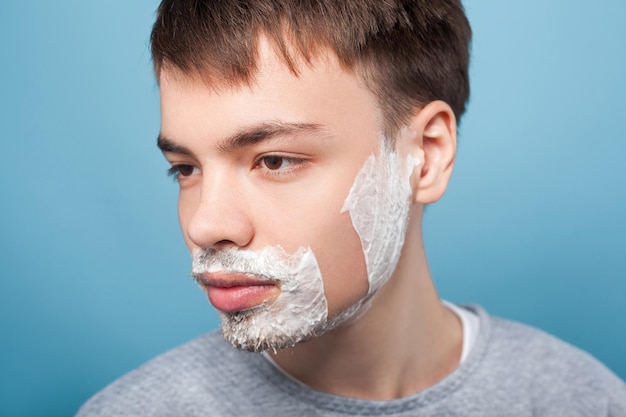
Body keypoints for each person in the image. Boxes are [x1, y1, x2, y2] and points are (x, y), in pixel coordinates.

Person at [76, 0, 626, 415]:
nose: (206, 224)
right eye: (186, 168)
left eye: (274, 161)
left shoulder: (581, 401)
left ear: (426, 157)